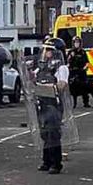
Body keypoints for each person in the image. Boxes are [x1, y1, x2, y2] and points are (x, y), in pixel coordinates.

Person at [31, 38, 72, 173]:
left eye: (49, 50)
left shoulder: (61, 67)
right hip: (41, 101)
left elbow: (62, 85)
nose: (46, 52)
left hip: (54, 103)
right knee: (44, 133)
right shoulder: (41, 66)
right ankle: (46, 161)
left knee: (53, 133)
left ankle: (56, 163)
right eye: (45, 50)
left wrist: (49, 86)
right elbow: (33, 79)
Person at [67, 38, 89, 109]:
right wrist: (70, 57)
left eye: (78, 42)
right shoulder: (71, 52)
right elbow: (67, 62)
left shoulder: (83, 52)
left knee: (84, 87)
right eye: (75, 42)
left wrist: (85, 67)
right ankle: (72, 103)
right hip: (73, 71)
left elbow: (87, 62)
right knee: (71, 88)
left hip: (81, 71)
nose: (77, 44)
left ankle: (86, 103)